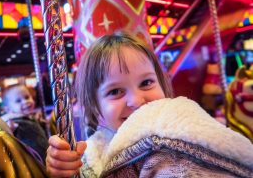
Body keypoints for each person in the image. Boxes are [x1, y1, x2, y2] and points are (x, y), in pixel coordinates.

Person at [46, 33, 253, 177]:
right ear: (95, 109)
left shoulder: (184, 131)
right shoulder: (91, 157)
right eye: (115, 91)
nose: (136, 100)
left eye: (146, 83)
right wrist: (63, 170)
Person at [1, 84, 49, 163]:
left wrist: (39, 122)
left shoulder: (29, 117)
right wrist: (9, 129)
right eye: (18, 101)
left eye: (27, 97)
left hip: (43, 155)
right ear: (8, 109)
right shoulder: (13, 121)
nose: (25, 101)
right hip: (31, 159)